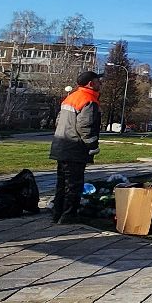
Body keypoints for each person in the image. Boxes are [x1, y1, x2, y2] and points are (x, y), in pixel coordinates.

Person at [49, 71, 102, 223]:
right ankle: (69, 215)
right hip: (75, 148)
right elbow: (85, 126)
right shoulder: (89, 100)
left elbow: (59, 121)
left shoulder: (71, 97)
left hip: (61, 145)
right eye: (98, 81)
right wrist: (92, 145)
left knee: (62, 183)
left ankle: (57, 213)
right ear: (91, 84)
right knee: (74, 184)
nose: (100, 84)